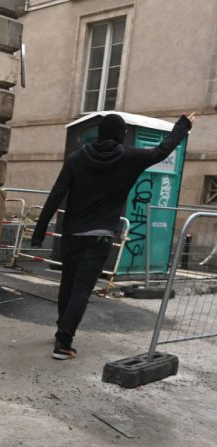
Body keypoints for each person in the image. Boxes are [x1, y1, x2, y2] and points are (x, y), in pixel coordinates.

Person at [32, 112, 195, 360]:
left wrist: (40, 229)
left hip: (73, 234)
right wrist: (183, 126)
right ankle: (64, 343)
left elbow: (57, 194)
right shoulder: (129, 157)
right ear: (120, 134)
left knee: (68, 283)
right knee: (82, 289)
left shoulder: (77, 158)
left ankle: (61, 332)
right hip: (100, 236)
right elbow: (162, 151)